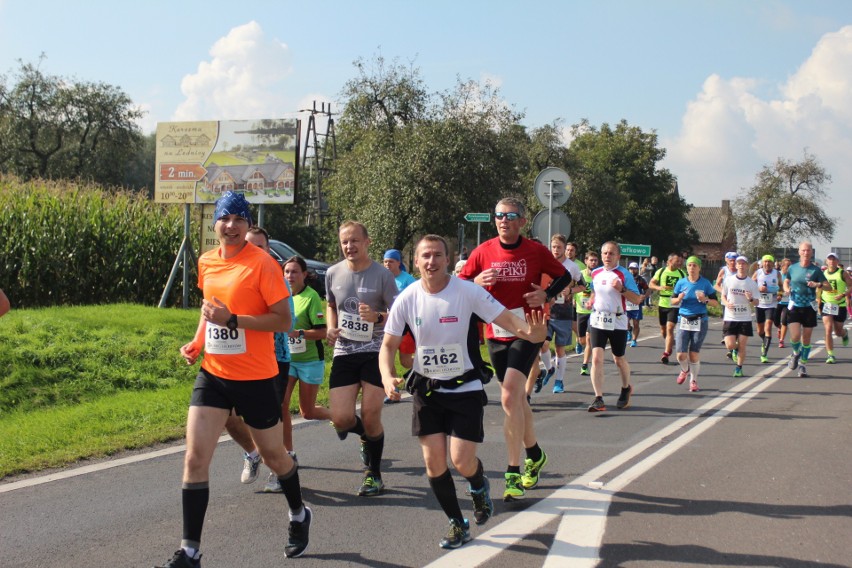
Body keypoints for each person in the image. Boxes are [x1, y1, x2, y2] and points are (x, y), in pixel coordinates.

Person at [154, 192, 310, 568]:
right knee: (194, 458)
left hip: (257, 376)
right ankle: (190, 552)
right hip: (215, 374)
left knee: (274, 456)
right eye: (226, 218)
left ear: (246, 224)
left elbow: (283, 321)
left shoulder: (263, 265)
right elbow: (210, 311)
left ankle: (299, 513)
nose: (232, 225)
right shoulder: (207, 262)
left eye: (240, 219)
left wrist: (234, 321)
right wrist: (197, 340)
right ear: (216, 223)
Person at [380, 235, 547, 548]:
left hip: (464, 389)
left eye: (438, 255)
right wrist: (387, 376)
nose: (431, 262)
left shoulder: (468, 292)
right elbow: (387, 345)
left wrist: (530, 333)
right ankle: (457, 523)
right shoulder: (407, 297)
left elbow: (507, 319)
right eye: (425, 256)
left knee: (461, 461)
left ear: (448, 259)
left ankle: (478, 484)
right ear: (415, 261)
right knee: (434, 464)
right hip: (426, 390)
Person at [458, 197, 571, 501]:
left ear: (522, 221)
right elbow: (460, 283)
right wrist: (477, 281)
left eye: (510, 216)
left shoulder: (535, 250)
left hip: (529, 329)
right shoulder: (483, 252)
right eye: (498, 215)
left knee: (509, 394)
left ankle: (512, 471)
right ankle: (534, 454)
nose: (503, 220)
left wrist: (546, 294)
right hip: (495, 331)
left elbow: (566, 276)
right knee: (516, 399)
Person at [325, 221, 398, 496]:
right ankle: (367, 437)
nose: (349, 246)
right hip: (344, 349)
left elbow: (398, 312)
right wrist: (331, 327)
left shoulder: (382, 275)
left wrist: (378, 317)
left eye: (355, 240)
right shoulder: (333, 273)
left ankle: (374, 475)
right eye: (345, 241)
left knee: (370, 414)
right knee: (342, 419)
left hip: (375, 349)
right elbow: (332, 305)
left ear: (367, 242)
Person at [223, 227, 296, 487]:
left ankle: (278, 468)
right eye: (248, 245)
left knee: (269, 418)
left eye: (260, 246)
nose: (253, 250)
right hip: (236, 358)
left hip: (273, 359)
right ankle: (253, 453)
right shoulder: (232, 275)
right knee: (227, 415)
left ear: (268, 251)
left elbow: (287, 322)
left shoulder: (274, 277)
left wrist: (242, 318)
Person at [262, 255, 331, 492]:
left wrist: (299, 333)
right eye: (286, 272)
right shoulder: (279, 295)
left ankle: (337, 417)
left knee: (308, 412)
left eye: (294, 272)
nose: (289, 276)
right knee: (281, 405)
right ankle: (289, 453)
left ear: (304, 274)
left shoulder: (310, 297)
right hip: (288, 360)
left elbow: (322, 332)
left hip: (310, 360)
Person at [585, 242, 643, 412]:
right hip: (597, 319)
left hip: (617, 320)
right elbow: (595, 291)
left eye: (611, 254)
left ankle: (626, 388)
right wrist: (591, 301)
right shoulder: (595, 272)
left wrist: (622, 289)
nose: (607, 257)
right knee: (596, 358)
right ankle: (598, 398)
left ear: (618, 256)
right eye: (604, 253)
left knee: (618, 359)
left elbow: (637, 299)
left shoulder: (624, 275)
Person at [539, 234, 583, 395]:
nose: (556, 250)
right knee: (542, 344)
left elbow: (582, 286)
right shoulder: (545, 263)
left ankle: (559, 380)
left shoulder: (572, 267)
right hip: (546, 311)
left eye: (559, 247)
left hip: (564, 312)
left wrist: (570, 290)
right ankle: (549, 368)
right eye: (553, 247)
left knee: (559, 349)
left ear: (565, 248)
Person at [670, 256, 719, 392]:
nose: (691, 268)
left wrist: (705, 300)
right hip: (683, 319)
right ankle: (684, 370)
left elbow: (715, 303)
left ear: (699, 268)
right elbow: (672, 301)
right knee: (680, 354)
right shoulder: (681, 283)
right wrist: (678, 298)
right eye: (689, 265)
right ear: (686, 267)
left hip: (700, 320)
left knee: (693, 353)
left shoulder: (705, 283)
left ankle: (693, 381)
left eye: (694, 265)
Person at [784, 241, 831, 378]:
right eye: (803, 250)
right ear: (799, 252)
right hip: (794, 305)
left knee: (806, 338)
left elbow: (828, 286)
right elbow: (787, 280)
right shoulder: (793, 268)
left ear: (811, 252)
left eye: (808, 251)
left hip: (809, 307)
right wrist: (786, 289)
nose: (805, 253)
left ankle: (803, 365)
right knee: (795, 336)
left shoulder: (815, 270)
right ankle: (795, 353)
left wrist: (817, 284)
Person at [383, 248, 418, 403]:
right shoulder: (383, 279)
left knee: (405, 361)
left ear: (398, 262)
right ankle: (393, 389)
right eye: (385, 261)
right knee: (387, 356)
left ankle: (431, 371)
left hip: (406, 326)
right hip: (387, 325)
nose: (387, 264)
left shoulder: (408, 280)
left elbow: (418, 300)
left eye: (391, 261)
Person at [722, 255, 761, 378]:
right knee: (729, 344)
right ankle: (734, 349)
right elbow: (723, 296)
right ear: (736, 265)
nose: (741, 265)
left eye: (743, 263)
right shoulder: (729, 280)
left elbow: (757, 302)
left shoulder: (751, 283)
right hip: (730, 317)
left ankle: (739, 368)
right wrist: (727, 303)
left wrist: (750, 299)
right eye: (739, 263)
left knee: (743, 344)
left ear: (747, 266)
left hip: (744, 317)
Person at [649, 252, 686, 364]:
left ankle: (666, 353)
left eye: (680, 261)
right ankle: (669, 343)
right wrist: (659, 287)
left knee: (670, 328)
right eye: (677, 261)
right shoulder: (661, 271)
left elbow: (687, 287)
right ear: (669, 261)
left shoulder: (681, 273)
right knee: (663, 330)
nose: (679, 263)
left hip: (674, 304)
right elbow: (651, 284)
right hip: (662, 303)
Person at [820, 252, 851, 364]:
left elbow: (850, 286)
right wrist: (818, 301)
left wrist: (843, 295)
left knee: (837, 331)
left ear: (837, 261)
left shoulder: (842, 273)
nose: (832, 261)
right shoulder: (823, 273)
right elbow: (819, 288)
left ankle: (844, 333)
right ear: (827, 261)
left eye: (834, 259)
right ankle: (830, 354)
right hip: (827, 304)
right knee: (828, 329)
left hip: (840, 305)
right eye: (829, 259)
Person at [753, 254, 781, 363]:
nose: (767, 264)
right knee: (760, 330)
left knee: (768, 326)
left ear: (773, 264)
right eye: (765, 261)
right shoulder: (758, 273)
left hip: (771, 303)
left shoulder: (776, 273)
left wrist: (779, 294)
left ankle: (764, 353)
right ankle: (764, 340)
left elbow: (781, 286)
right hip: (759, 304)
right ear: (762, 263)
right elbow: (750, 284)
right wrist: (759, 288)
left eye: (769, 262)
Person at [576, 251, 599, 376]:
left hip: (594, 312)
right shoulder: (580, 275)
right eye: (591, 260)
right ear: (586, 261)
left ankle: (584, 365)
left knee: (589, 339)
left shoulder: (599, 276)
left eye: (595, 260)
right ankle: (581, 345)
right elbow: (574, 288)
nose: (593, 262)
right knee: (582, 340)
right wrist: (573, 299)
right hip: (581, 310)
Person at [716, 251, 739, 351]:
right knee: (727, 319)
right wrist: (723, 292)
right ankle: (725, 336)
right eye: (731, 261)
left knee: (736, 321)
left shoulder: (740, 270)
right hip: (726, 300)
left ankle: (735, 339)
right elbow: (716, 285)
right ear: (727, 261)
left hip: (737, 300)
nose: (733, 263)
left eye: (734, 261)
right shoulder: (724, 271)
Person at [626, 262, 649, 347]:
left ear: (637, 270)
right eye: (631, 268)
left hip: (636, 304)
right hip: (627, 304)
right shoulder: (625, 278)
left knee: (636, 323)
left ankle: (634, 340)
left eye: (634, 269)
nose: (632, 270)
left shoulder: (641, 280)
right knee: (625, 322)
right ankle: (629, 330)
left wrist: (644, 296)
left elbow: (647, 289)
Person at [775, 258, 792, 348]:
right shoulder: (778, 275)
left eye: (790, 266)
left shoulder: (792, 276)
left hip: (788, 302)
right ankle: (779, 327)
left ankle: (781, 340)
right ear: (782, 266)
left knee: (785, 321)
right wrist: (779, 294)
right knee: (775, 321)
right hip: (778, 301)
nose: (789, 268)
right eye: (787, 266)